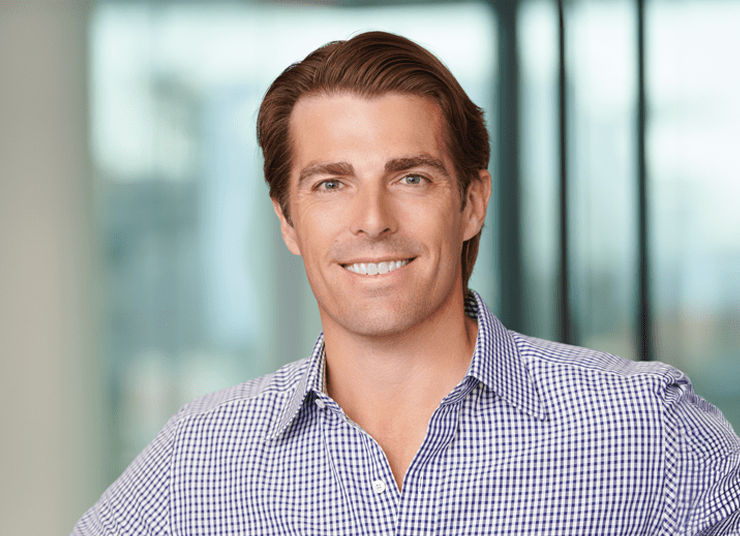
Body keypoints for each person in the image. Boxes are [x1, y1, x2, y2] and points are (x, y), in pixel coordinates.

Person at [72, 31, 740, 535]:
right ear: (288, 221)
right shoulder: (198, 460)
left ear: (471, 202)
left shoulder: (649, 430)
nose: (373, 221)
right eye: (331, 184)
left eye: (410, 178)